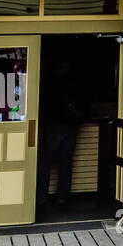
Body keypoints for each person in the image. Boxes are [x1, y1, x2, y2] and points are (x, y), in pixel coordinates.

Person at [35, 59, 88, 208]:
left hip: (52, 125)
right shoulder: (75, 84)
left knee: (45, 163)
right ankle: (63, 197)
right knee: (66, 163)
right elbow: (84, 104)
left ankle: (40, 198)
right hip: (70, 126)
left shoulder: (48, 83)